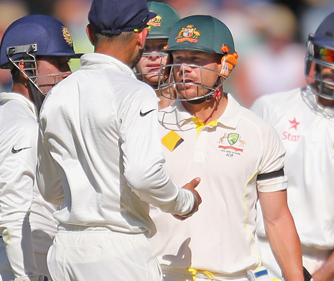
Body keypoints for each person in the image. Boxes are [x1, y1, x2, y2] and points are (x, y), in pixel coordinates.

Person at [36, 0, 202, 280]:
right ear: (142, 35)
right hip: (118, 249)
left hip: (64, 249)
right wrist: (184, 201)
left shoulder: (57, 94)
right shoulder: (134, 92)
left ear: (89, 34)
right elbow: (143, 176)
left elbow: (49, 189)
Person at [149, 15, 305, 281]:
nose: (183, 68)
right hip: (157, 273)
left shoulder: (258, 132)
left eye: (196, 60)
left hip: (230, 276)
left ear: (225, 64)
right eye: (178, 58)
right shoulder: (150, 124)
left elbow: (277, 219)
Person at [250, 10, 334, 281]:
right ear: (314, 53)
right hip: (261, 254)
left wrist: (320, 276)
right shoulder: (270, 108)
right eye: (330, 55)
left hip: (321, 263)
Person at [0, 14, 80, 281]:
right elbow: (14, 214)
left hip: (2, 260)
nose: (68, 73)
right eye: (59, 63)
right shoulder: (21, 124)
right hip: (10, 266)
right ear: (26, 66)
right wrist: (25, 276)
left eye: (68, 63)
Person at [135, 1, 180, 109]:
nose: (154, 56)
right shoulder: (120, 99)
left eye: (163, 47)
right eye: (145, 47)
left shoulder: (193, 101)